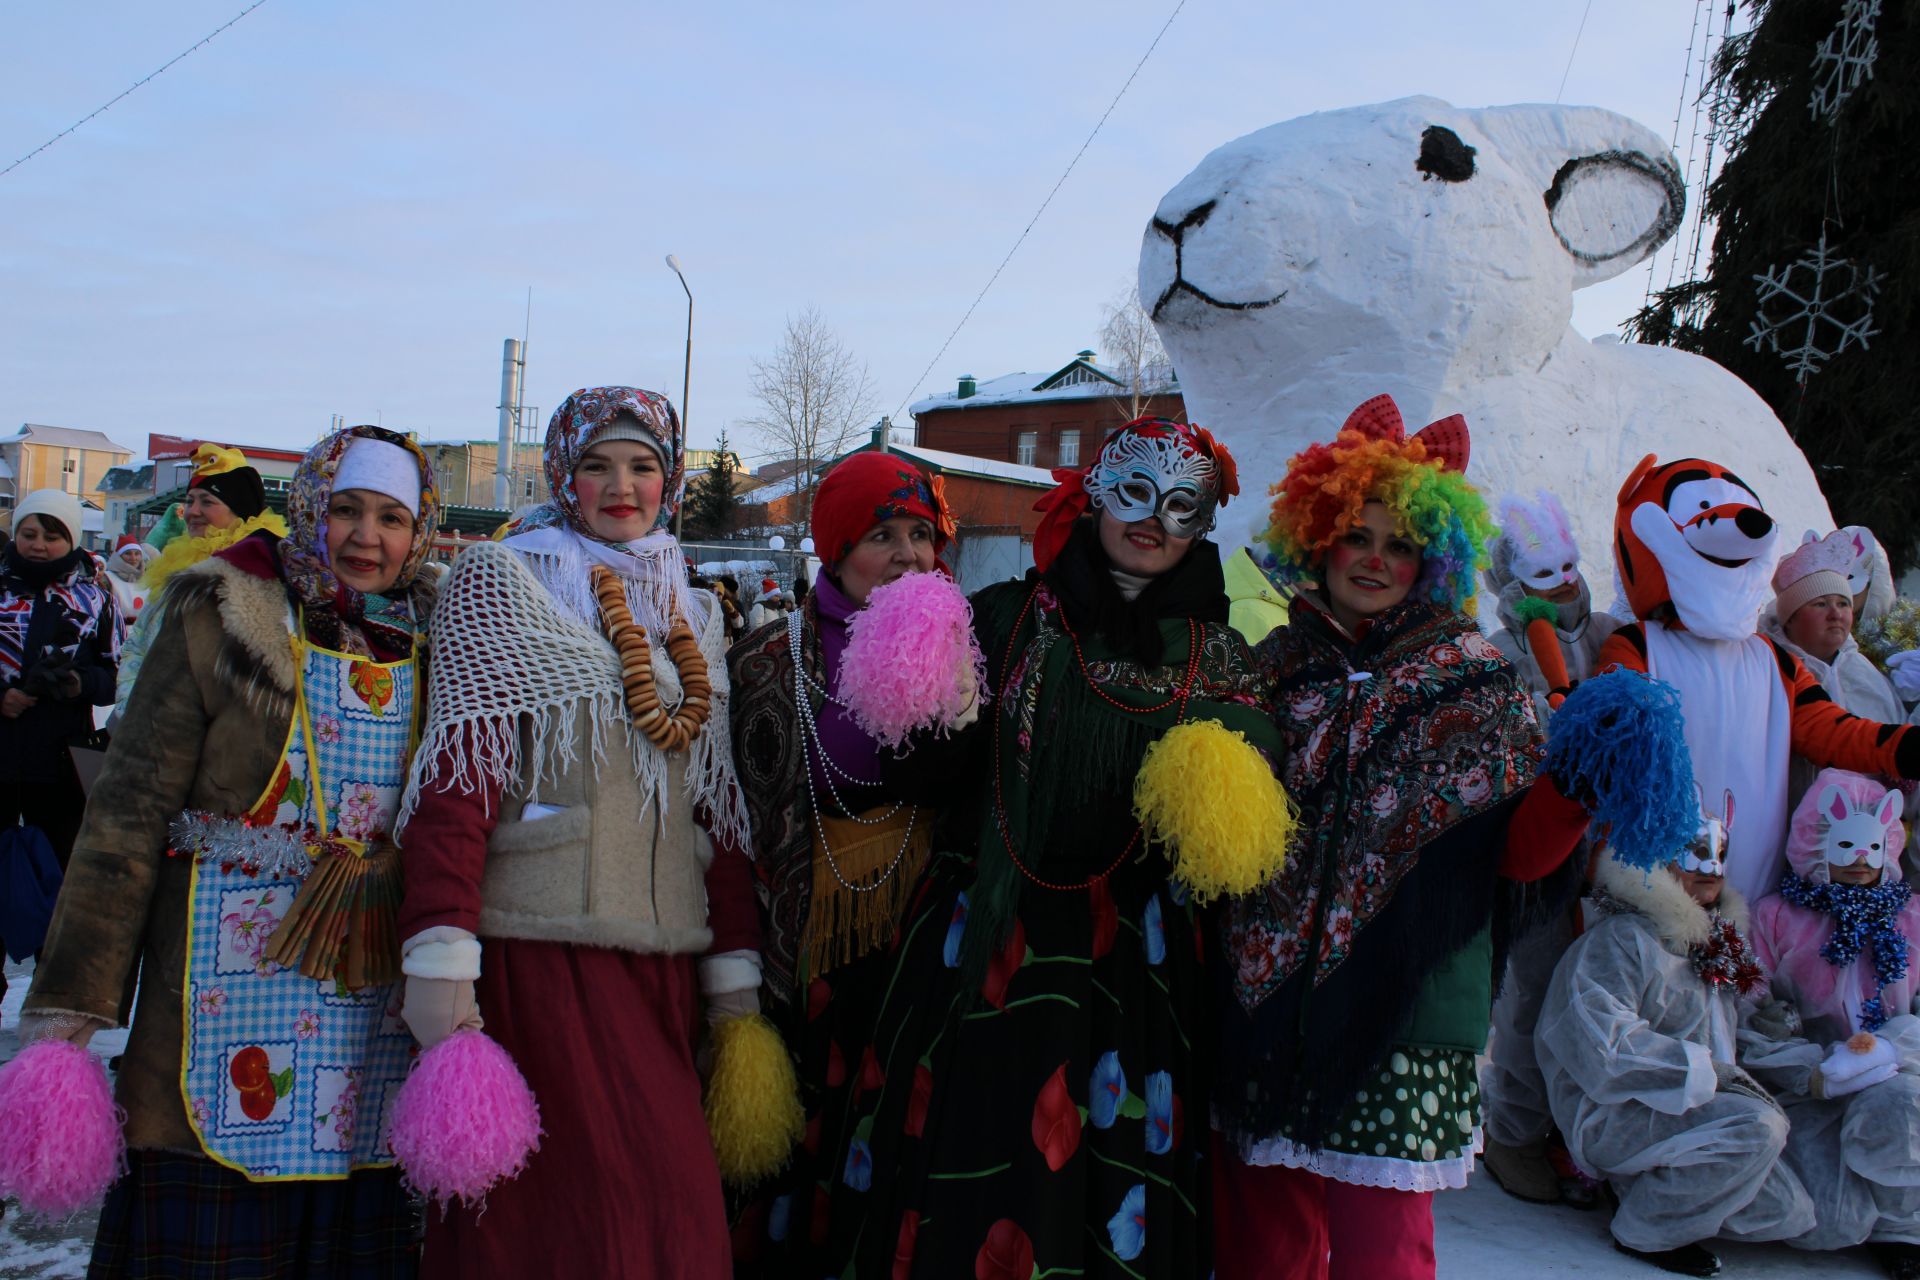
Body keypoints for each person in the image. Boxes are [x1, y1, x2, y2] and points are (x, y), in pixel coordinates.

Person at [823, 416, 1274, 1278]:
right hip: (987, 945)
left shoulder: (1222, 658)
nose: (1154, 521)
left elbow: (1231, 844)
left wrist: (1221, 794)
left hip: (1130, 972)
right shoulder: (1005, 618)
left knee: (1105, 1185)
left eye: (1183, 506)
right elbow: (926, 777)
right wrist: (928, 711)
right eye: (1136, 493)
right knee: (970, 1176)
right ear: (1096, 494)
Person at [20, 427, 439, 1278]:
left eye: (392, 518)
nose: (368, 537)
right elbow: (128, 815)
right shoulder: (223, 613)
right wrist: (74, 1009)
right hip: (223, 984)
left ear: (419, 531)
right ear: (309, 509)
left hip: (374, 1000)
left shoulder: (436, 639)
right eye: (348, 511)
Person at [1214, 397, 1595, 1280]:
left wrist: (1580, 784)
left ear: (1435, 558)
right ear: (1319, 539)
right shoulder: (1269, 668)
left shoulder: (1476, 676)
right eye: (1358, 536)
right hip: (1266, 1005)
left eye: (1401, 544)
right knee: (1263, 1249)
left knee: (1384, 1256)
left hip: (1409, 1014)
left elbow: (1518, 859)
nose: (1376, 560)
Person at [396, 386, 761, 1279]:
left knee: (674, 1215)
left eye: (642, 467)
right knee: (557, 1221)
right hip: (542, 958)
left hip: (665, 961)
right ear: (563, 474)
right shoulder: (502, 583)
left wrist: (735, 969)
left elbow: (715, 806)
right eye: (596, 466)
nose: (621, 487)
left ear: (669, 481)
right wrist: (439, 951)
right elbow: (459, 778)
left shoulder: (697, 615)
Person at [725, 451, 961, 1269]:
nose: (906, 556)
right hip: (805, 964)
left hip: (925, 957)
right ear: (834, 548)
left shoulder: (970, 657)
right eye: (880, 535)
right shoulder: (767, 661)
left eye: (920, 534)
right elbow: (737, 819)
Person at [1537, 802, 1816, 1278]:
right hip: (1620, 1115)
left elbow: (1738, 1036)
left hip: (1702, 1115)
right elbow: (1604, 1048)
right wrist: (1704, 1070)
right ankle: (1646, 1229)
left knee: (1791, 1211)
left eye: (1719, 853)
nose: (1711, 867)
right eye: (1695, 852)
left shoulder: (1718, 946)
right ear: (1660, 861)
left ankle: (1652, 1189)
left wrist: (1810, 1067)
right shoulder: (1622, 942)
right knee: (1757, 1129)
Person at [1478, 489, 1622, 1206]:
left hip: (1614, 850)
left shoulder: (1609, 633)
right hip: (1539, 847)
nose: (1564, 581)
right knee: (1533, 990)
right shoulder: (1500, 652)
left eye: (1568, 565)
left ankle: (1580, 1135)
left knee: (1600, 993)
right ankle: (1512, 1133)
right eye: (1542, 572)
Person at [1745, 770, 1920, 1276]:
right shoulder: (1776, 918)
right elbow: (1748, 1011)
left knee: (1904, 1110)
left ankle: (1903, 1227)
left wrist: (1892, 1051)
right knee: (1828, 1221)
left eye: (1871, 847)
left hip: (1896, 1078)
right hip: (1808, 1086)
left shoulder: (1910, 920)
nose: (1861, 860)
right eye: (1847, 845)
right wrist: (1809, 1068)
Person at [0, 489, 122, 869]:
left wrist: (79, 683)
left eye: (52, 537)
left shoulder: (96, 598)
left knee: (56, 867)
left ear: (71, 539)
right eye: (29, 534)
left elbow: (120, 675)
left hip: (60, 760)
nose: (38, 545)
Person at [115, 444, 284, 717]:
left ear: (239, 510)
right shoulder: (175, 568)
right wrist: (131, 709)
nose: (192, 511)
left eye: (207, 501)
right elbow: (137, 646)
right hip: (150, 727)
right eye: (190, 500)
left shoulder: (263, 572)